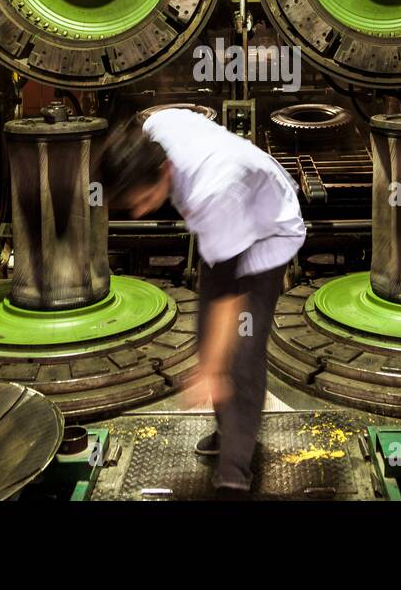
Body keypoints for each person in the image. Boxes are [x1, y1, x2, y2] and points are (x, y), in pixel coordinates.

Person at [98, 107, 306, 495]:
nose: (141, 211)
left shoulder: (212, 192)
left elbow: (228, 297)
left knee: (241, 351)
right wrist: (208, 357)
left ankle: (235, 470)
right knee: (206, 337)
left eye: (143, 200)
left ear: (163, 172)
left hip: (268, 231)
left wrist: (210, 370)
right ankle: (230, 431)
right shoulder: (153, 130)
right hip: (228, 223)